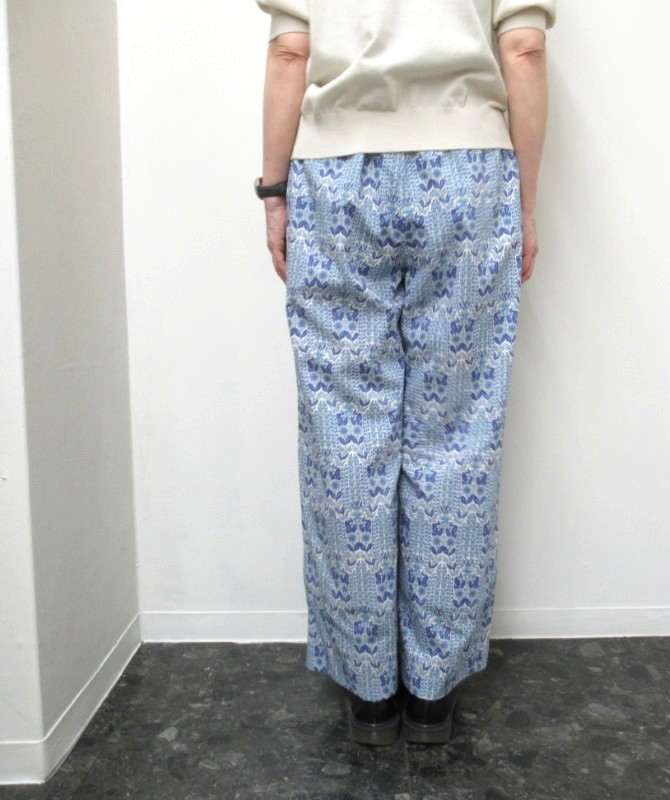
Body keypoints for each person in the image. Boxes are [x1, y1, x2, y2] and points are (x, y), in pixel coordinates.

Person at [254, 0, 556, 746]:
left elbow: (290, 56)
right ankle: (431, 697)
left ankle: (368, 697)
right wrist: (524, 201)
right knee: (457, 435)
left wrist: (273, 194)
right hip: (468, 177)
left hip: (334, 177)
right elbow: (524, 50)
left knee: (345, 433)